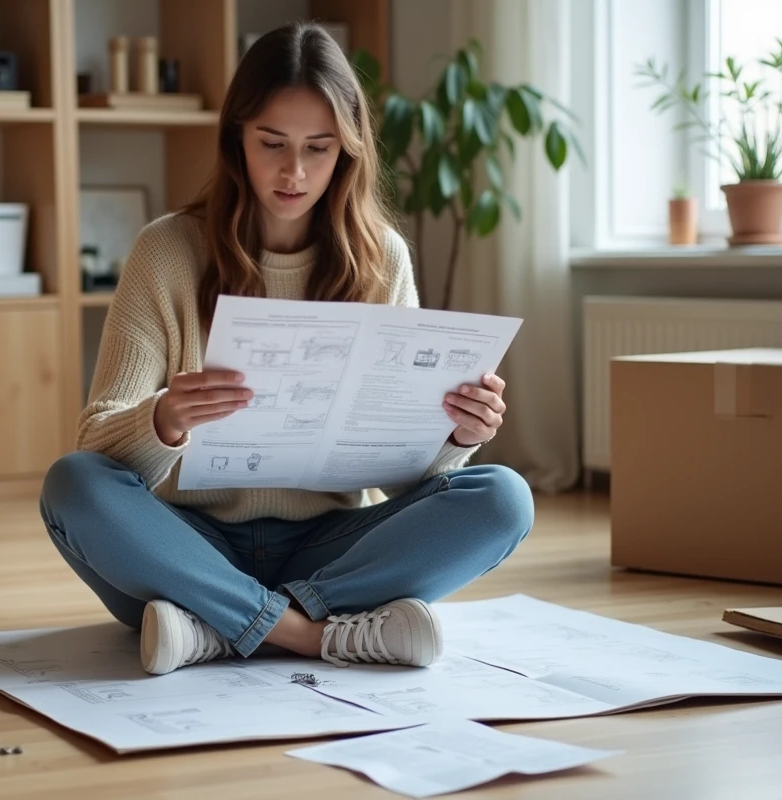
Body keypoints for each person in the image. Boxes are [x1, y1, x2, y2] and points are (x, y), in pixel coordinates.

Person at [39, 21, 535, 676]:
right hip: (185, 549)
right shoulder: (165, 252)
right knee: (71, 484)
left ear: (348, 153)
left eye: (319, 149)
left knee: (503, 497)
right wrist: (163, 420)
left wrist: (456, 433)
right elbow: (97, 443)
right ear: (236, 139)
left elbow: (407, 476)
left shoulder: (382, 258)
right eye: (272, 143)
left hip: (328, 552)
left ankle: (218, 629)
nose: (294, 171)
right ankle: (309, 634)